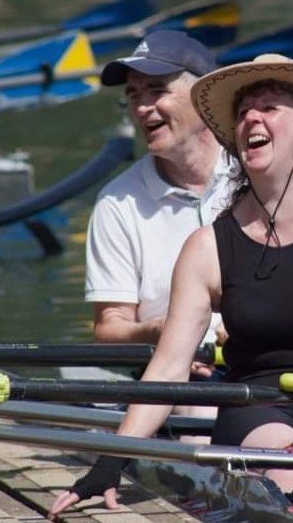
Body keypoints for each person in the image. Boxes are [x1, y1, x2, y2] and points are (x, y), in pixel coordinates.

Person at [50, 54, 293, 518]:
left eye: (270, 107)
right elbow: (167, 368)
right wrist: (110, 462)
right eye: (243, 113)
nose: (251, 119)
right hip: (259, 405)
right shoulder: (207, 248)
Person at [76, 29, 233, 423]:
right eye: (133, 95)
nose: (143, 108)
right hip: (177, 374)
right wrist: (161, 332)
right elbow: (109, 329)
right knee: (202, 411)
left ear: (206, 96)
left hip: (266, 359)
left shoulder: (259, 173)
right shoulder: (117, 203)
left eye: (156, 90)